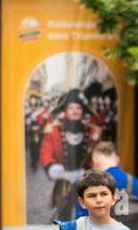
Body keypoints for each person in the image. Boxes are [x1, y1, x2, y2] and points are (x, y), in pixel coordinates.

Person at [39, 89, 101, 220]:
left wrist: (87, 172)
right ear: (65, 111)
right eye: (71, 108)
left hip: (87, 184)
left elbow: (98, 156)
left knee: (87, 217)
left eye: (78, 108)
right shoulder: (54, 130)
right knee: (63, 218)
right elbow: (45, 153)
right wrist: (53, 168)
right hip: (63, 184)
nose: (75, 111)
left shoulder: (92, 131)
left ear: (82, 110)